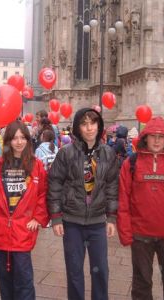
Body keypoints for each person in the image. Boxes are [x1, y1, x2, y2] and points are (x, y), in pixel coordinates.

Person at [117, 116, 164, 299]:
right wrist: (126, 232)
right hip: (140, 236)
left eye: (161, 136)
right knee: (141, 283)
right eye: (153, 136)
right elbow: (123, 199)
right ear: (145, 138)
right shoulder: (131, 163)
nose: (157, 140)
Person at [47, 108, 119, 300]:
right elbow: (54, 183)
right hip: (72, 222)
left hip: (97, 222)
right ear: (78, 127)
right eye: (84, 124)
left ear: (99, 126)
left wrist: (111, 217)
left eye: (93, 123)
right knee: (74, 271)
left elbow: (112, 186)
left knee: (101, 271)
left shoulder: (108, 153)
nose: (89, 128)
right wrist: (56, 217)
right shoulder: (66, 153)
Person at [0, 120, 49, 300]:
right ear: (8, 141)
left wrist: (38, 218)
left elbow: (43, 193)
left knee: (24, 282)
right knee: (4, 281)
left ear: (28, 139)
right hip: (0, 231)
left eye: (22, 137)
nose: (19, 142)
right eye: (14, 138)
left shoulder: (36, 165)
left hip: (23, 230)